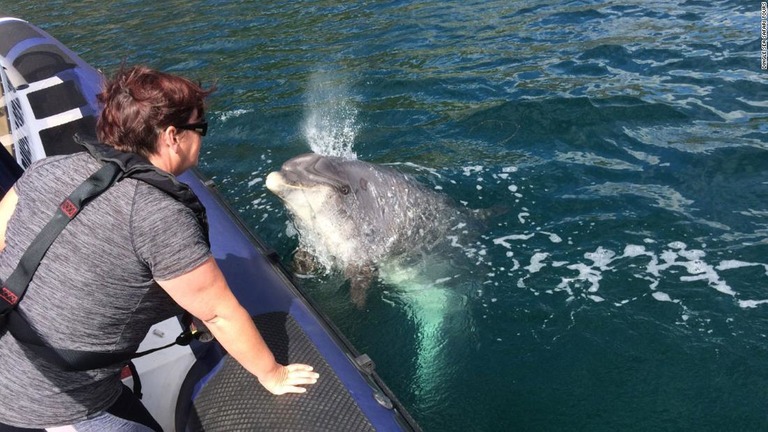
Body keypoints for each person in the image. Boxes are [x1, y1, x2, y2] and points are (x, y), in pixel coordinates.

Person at [0, 65, 318, 431]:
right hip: (54, 404)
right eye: (201, 128)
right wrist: (273, 374)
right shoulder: (158, 214)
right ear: (172, 136)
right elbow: (218, 315)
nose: (203, 138)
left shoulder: (47, 169)